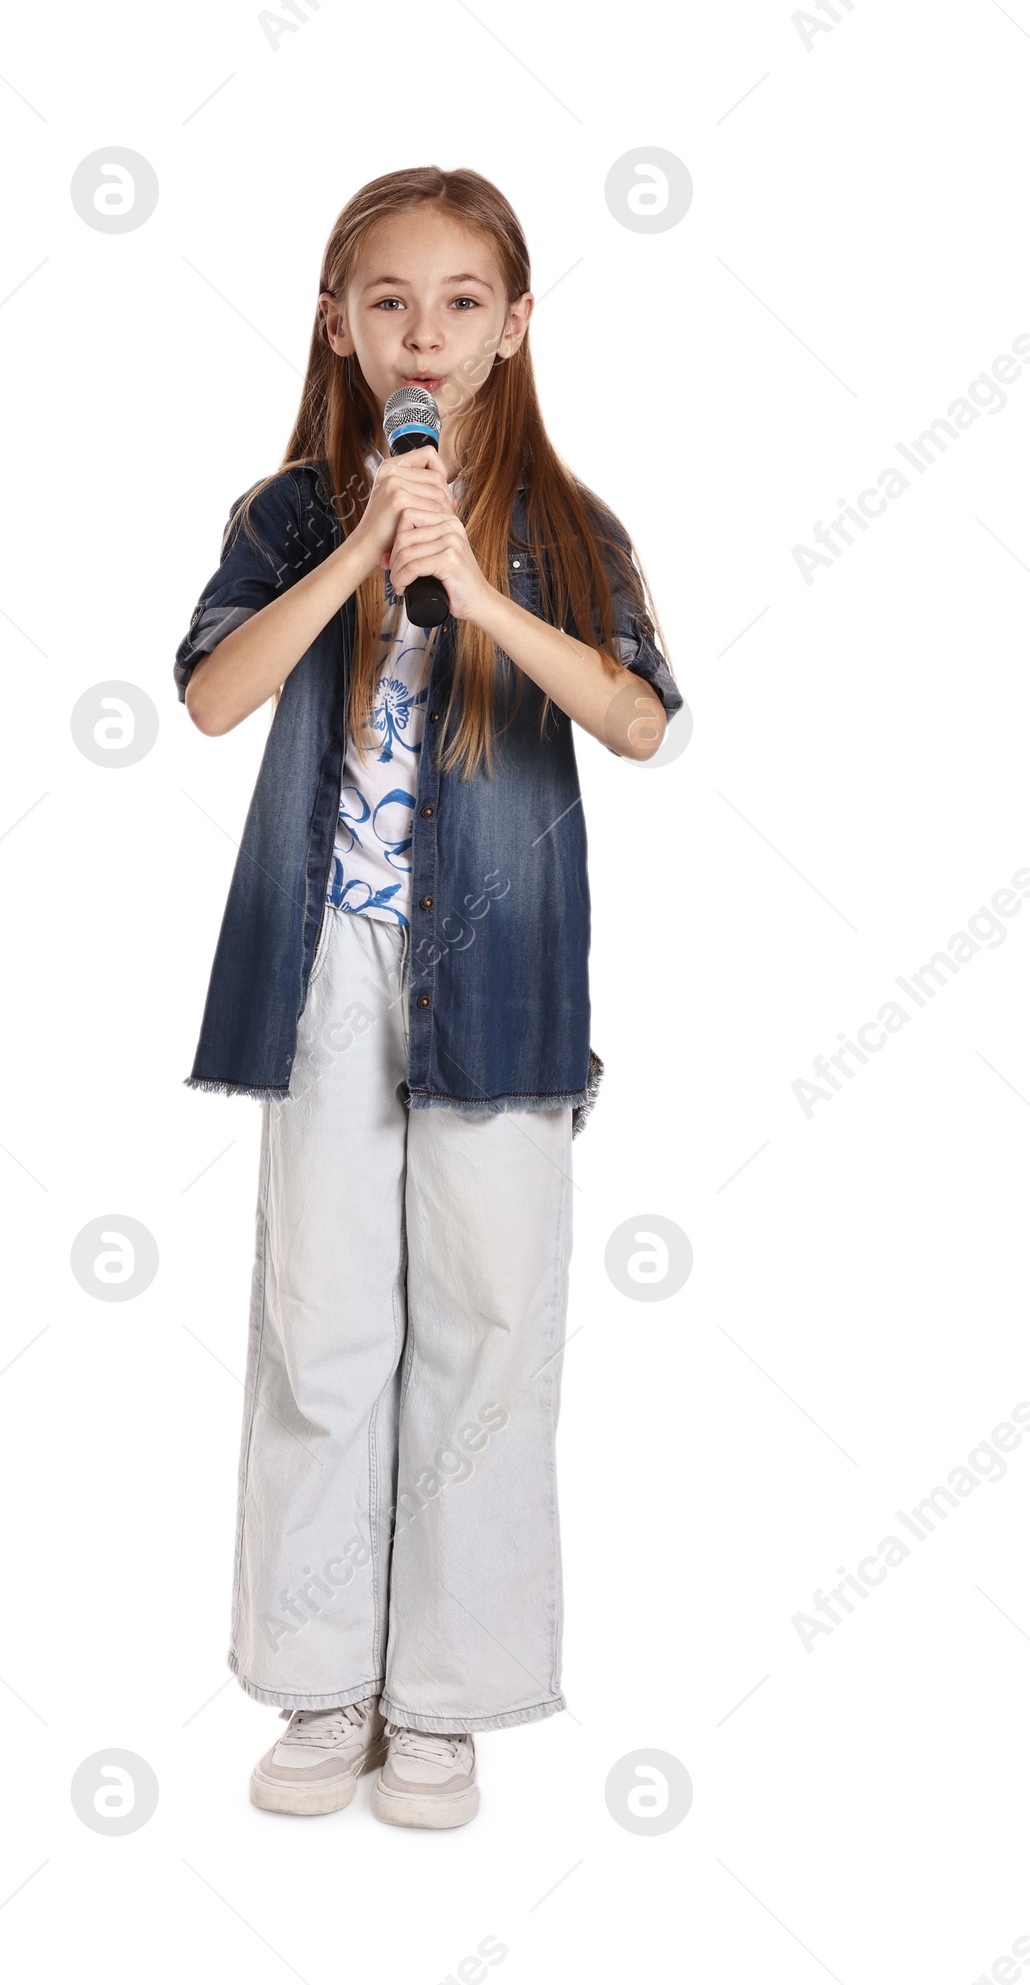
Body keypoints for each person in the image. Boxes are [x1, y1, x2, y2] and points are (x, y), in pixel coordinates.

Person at [174, 165, 684, 1829]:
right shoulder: (282, 513)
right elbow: (209, 696)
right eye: (390, 299)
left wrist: (475, 588)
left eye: (464, 301)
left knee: (484, 1333)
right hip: (325, 957)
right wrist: (369, 554)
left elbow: (638, 720)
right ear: (339, 323)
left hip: (505, 971)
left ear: (517, 326)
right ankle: (321, 1681)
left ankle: (446, 1697)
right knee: (322, 1324)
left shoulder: (570, 526)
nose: (427, 331)